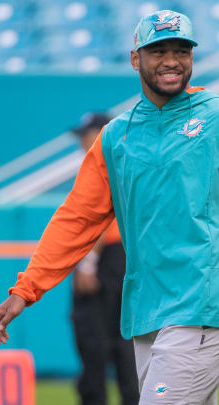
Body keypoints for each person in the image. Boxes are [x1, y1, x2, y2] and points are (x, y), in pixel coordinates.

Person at [0, 9, 219, 405]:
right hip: (148, 308)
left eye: (182, 50)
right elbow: (76, 219)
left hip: (209, 300)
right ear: (136, 58)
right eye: (158, 50)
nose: (171, 60)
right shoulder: (117, 137)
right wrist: (26, 289)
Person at [70, 113, 139, 405]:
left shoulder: (107, 161)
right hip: (122, 258)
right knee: (125, 343)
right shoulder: (127, 160)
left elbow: (98, 217)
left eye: (87, 134)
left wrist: (87, 262)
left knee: (95, 343)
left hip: (106, 258)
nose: (82, 141)